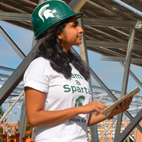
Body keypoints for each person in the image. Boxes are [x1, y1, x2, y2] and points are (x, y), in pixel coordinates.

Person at [24, 1, 133, 141]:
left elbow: (81, 121)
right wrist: (81, 109)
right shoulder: (40, 66)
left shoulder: (76, 69)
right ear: (58, 33)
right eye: (74, 25)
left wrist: (112, 112)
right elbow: (34, 118)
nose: (80, 29)